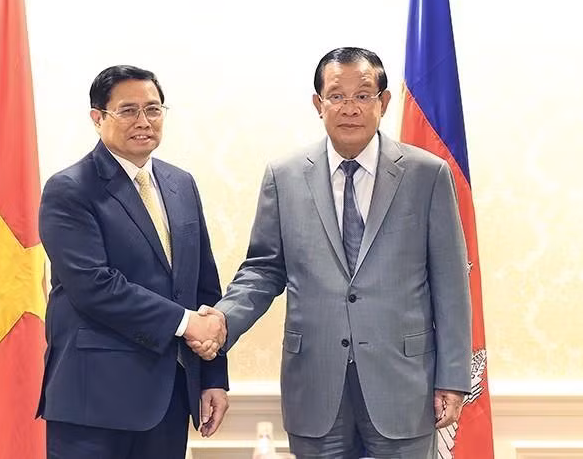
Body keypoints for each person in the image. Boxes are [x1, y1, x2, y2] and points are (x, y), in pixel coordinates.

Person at [192, 48, 472, 458]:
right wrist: (222, 319)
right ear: (318, 104)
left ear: (384, 102)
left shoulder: (427, 174)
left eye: (363, 95)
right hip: (315, 384)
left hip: (403, 383)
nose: (350, 108)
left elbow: (450, 282)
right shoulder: (284, 176)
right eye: (337, 96)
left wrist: (452, 376)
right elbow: (263, 269)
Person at [37, 65, 229, 459]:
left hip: (171, 397)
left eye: (153, 109)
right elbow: (94, 286)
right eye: (128, 111)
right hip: (94, 404)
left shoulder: (181, 184)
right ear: (98, 118)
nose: (143, 122)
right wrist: (187, 322)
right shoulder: (70, 189)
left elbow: (203, 286)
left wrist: (213, 378)